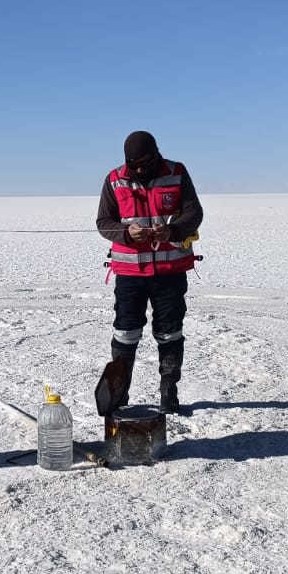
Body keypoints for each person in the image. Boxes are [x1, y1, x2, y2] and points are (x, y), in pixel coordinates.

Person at [95, 130, 204, 414]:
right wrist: (126, 233)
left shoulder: (176, 173)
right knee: (126, 333)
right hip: (130, 274)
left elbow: (194, 212)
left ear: (157, 153)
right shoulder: (114, 179)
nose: (141, 169)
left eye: (146, 163)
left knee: (169, 333)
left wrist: (173, 230)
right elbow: (103, 222)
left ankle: (169, 393)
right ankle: (119, 395)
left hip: (170, 271)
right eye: (135, 165)